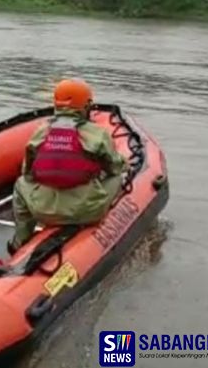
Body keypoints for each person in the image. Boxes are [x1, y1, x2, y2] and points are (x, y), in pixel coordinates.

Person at [8, 78, 127, 253]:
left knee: (20, 183)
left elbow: (28, 173)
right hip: (87, 211)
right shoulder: (98, 134)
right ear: (86, 106)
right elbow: (115, 168)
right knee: (118, 176)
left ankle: (20, 241)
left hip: (44, 211)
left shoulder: (41, 132)